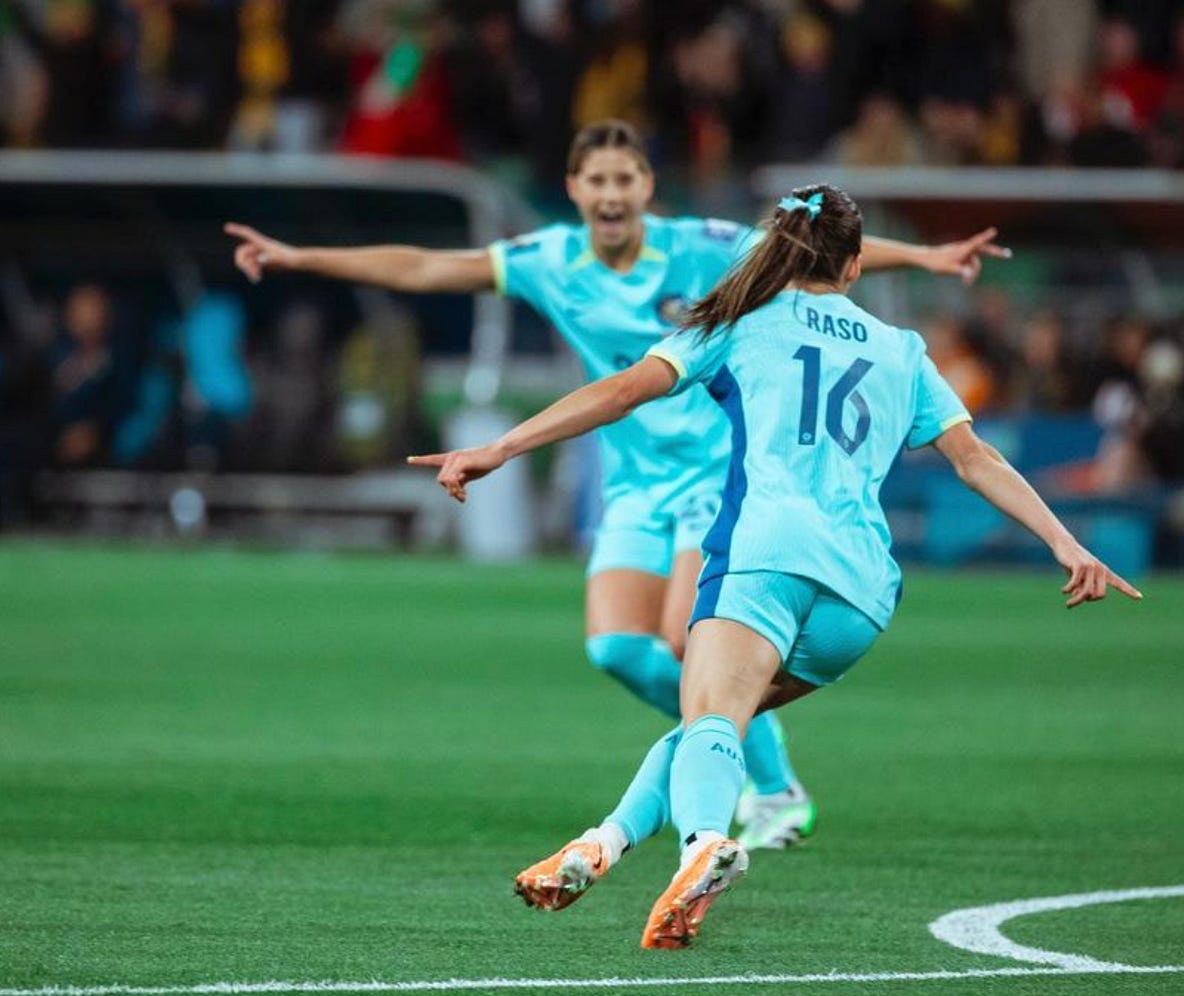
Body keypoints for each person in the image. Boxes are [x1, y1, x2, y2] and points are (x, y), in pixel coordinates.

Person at [224, 119, 1009, 850]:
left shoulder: (702, 247)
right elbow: (427, 266)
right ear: (574, 190)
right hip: (634, 479)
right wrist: (300, 258)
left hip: (723, 474)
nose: (610, 194)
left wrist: (930, 257)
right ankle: (733, 750)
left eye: (624, 178)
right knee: (615, 650)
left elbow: (815, 250)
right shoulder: (547, 262)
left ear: (646, 187)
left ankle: (766, 786)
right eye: (596, 179)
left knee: (683, 636)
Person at [406, 184, 1140, 948]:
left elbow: (625, 392)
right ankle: (603, 842)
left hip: (765, 557)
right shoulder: (902, 349)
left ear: (779, 251)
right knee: (713, 724)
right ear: (854, 268)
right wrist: (1066, 542)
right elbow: (975, 458)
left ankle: (702, 849)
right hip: (859, 595)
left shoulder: (742, 322)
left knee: (713, 718)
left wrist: (500, 447)